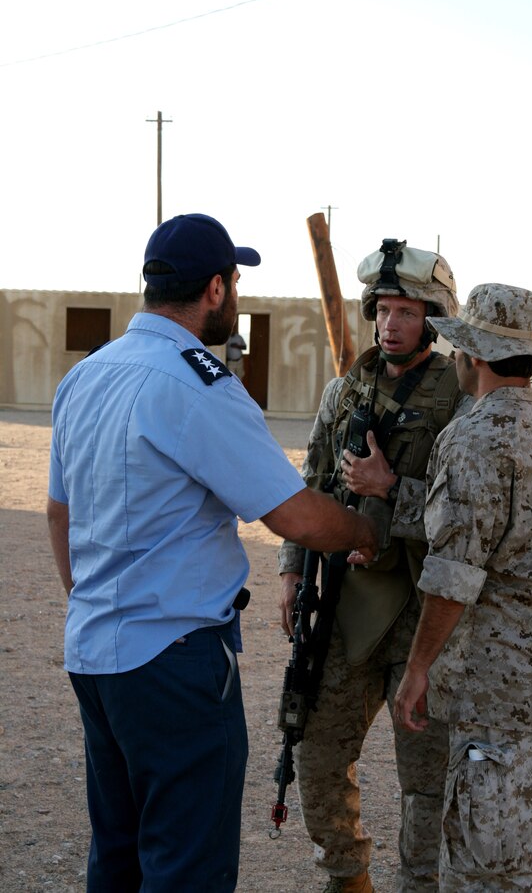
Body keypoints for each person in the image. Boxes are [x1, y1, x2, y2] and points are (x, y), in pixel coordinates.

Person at [46, 213, 378, 893]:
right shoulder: (198, 385)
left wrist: (93, 604)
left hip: (95, 653)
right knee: (186, 863)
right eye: (235, 280)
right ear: (218, 290)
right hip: (174, 662)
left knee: (118, 854)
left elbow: (59, 511)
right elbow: (294, 514)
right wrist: (368, 532)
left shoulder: (88, 375)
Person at [278, 238, 473, 893]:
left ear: (433, 320)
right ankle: (347, 878)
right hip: (346, 605)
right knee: (317, 755)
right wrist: (291, 566)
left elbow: (470, 522)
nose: (390, 324)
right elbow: (313, 483)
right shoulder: (343, 391)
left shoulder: (463, 400)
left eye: (406, 312)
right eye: (383, 310)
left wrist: (393, 491)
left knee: (426, 778)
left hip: (424, 614)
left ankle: (418, 883)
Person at [394, 283, 532, 891]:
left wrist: (417, 668)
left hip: (497, 696)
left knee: (487, 870)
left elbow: (453, 576)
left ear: (474, 357)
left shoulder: (471, 439)